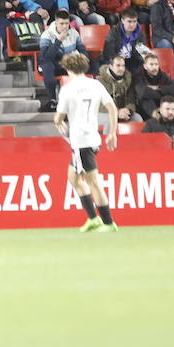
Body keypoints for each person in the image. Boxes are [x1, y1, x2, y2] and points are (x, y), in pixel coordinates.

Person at [53, 51, 120, 232]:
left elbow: (59, 116)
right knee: (73, 177)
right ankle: (92, 218)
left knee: (92, 181)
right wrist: (112, 133)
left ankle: (107, 222)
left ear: (67, 69)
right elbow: (112, 108)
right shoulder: (95, 84)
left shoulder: (68, 89)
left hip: (80, 141)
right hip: (92, 138)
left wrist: (58, 122)